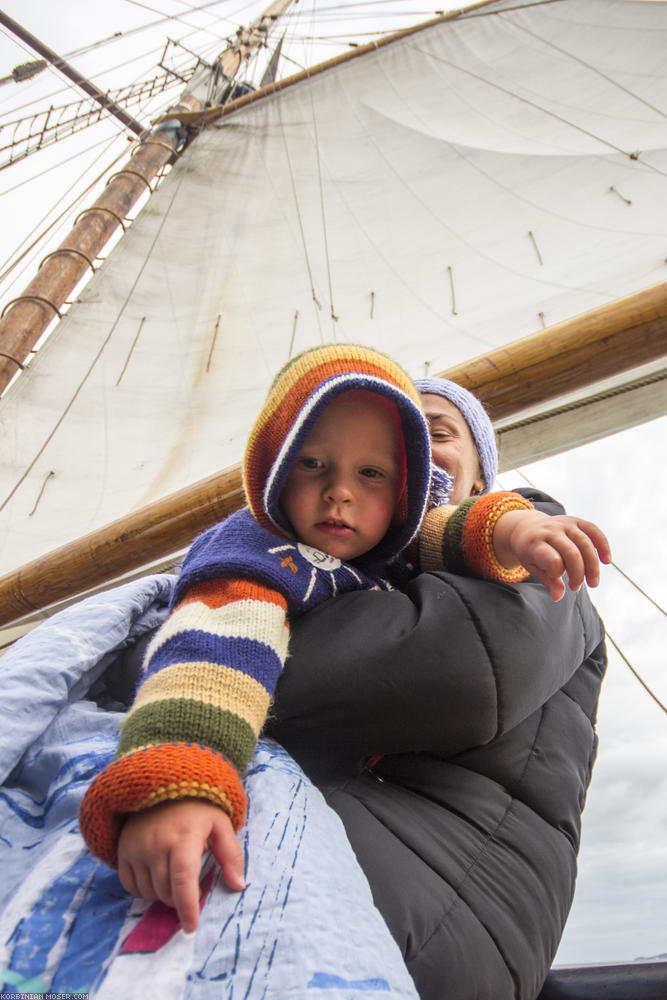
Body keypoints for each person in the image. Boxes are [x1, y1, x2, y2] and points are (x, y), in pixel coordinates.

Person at [79, 347, 608, 959]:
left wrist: (520, 530)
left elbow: (452, 534)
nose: (340, 494)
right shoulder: (258, 556)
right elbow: (211, 659)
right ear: (273, 474)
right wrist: (176, 780)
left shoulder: (517, 562)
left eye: (376, 472)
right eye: (312, 463)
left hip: (450, 893)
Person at [266, 374, 609, 1000]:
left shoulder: (540, 548)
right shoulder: (312, 563)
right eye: (394, 443)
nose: (415, 448)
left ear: (481, 476)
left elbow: (458, 673)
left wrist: (193, 652)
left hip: (459, 889)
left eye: (439, 432)